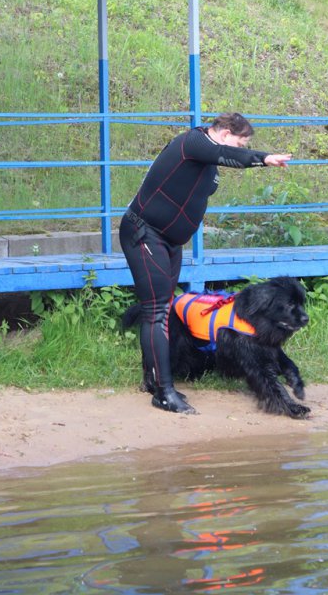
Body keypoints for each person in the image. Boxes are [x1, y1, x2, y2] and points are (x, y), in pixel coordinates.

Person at [119, 112, 292, 415]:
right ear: (225, 133)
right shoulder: (193, 142)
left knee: (159, 308)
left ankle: (153, 379)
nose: (240, 148)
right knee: (158, 310)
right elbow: (226, 155)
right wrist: (263, 158)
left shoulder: (207, 160)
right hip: (143, 232)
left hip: (170, 241)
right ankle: (164, 392)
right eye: (240, 143)